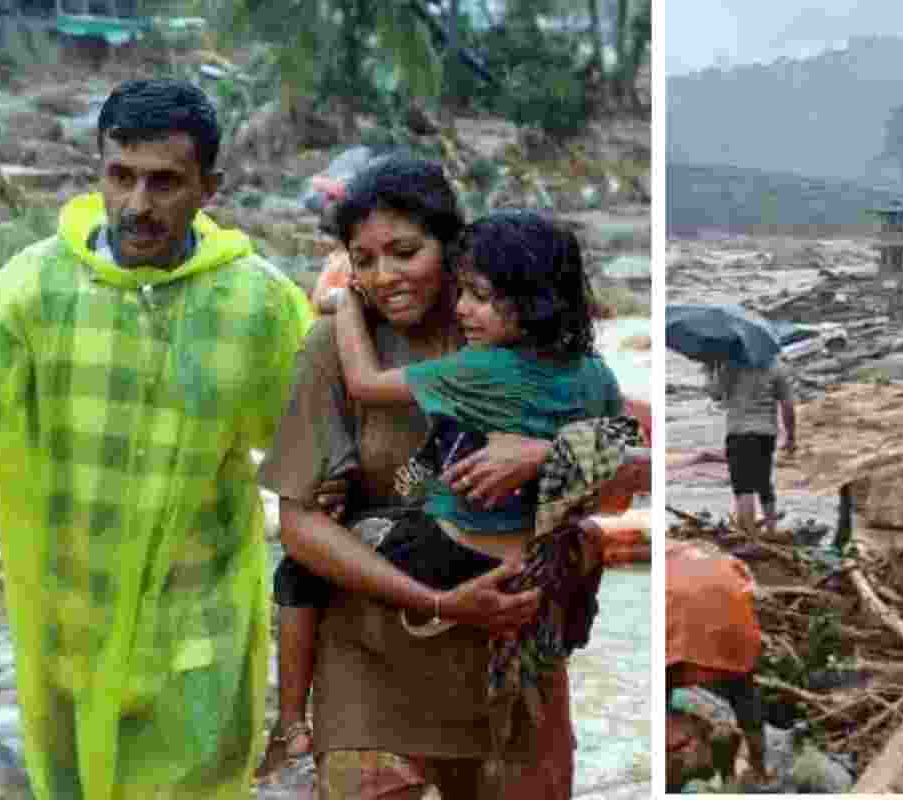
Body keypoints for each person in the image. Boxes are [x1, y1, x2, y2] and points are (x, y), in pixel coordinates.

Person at [257, 157, 642, 798]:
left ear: (454, 247)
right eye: (364, 259)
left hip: (513, 645)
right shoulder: (333, 348)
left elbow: (626, 480)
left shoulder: (531, 347)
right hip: (375, 651)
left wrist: (545, 455)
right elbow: (298, 526)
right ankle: (293, 723)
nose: (385, 278)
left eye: (406, 251)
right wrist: (436, 602)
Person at [0, 79, 313, 799]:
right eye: (121, 175)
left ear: (210, 187)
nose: (138, 203)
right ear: (98, 172)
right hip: (67, 625)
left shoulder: (256, 304)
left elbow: (315, 446)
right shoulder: (29, 292)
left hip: (196, 636)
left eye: (165, 181)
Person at [665, 540, 770, 788]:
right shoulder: (725, 562)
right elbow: (752, 596)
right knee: (745, 698)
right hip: (733, 636)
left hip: (681, 642)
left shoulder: (669, 562)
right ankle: (757, 771)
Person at [707, 358, 797, 538]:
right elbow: (787, 405)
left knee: (743, 486)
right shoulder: (776, 366)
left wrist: (712, 369)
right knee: (764, 482)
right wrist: (791, 436)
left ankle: (751, 538)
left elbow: (715, 394)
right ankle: (771, 530)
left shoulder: (729, 364)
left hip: (739, 433)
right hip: (766, 433)